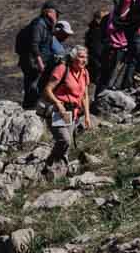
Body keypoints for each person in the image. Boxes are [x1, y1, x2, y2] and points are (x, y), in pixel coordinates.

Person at [40, 46, 97, 179]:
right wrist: (58, 103)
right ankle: (49, 162)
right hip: (58, 111)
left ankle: (57, 173)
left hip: (73, 113)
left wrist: (87, 116)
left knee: (67, 144)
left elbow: (84, 96)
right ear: (73, 58)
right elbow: (47, 89)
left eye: (86, 57)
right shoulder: (62, 69)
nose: (85, 60)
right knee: (64, 140)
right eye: (81, 57)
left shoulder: (84, 73)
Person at [15, 5, 61, 109]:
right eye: (56, 14)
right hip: (33, 61)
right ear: (49, 13)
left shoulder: (45, 25)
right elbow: (34, 44)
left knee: (35, 84)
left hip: (35, 60)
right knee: (33, 85)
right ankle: (29, 108)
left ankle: (31, 107)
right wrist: (39, 61)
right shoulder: (39, 24)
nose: (57, 17)